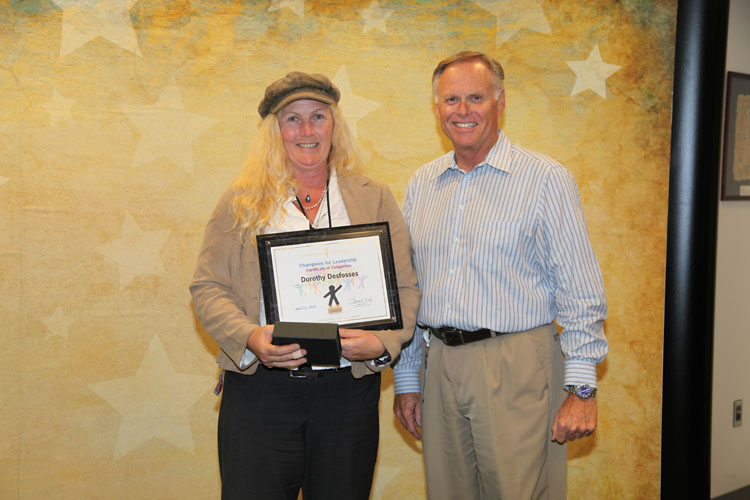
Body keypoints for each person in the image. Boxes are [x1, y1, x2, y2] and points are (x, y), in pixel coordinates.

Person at [190, 71, 420, 500]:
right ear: (273, 131)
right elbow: (208, 286)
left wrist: (384, 342)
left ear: (335, 125)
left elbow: (405, 287)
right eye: (292, 119)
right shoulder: (241, 201)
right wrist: (249, 336)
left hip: (348, 392)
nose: (307, 130)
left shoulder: (374, 197)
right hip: (261, 391)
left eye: (318, 116)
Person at [392, 51, 608, 500]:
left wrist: (582, 388)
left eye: (476, 97)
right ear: (437, 108)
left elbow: (579, 289)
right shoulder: (422, 184)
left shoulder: (545, 178)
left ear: (501, 101)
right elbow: (410, 290)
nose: (463, 110)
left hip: (516, 364)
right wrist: (408, 379)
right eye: (451, 99)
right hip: (439, 363)